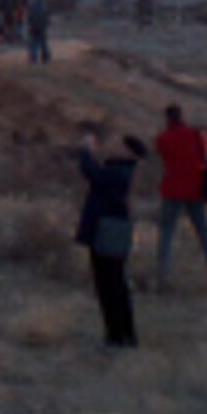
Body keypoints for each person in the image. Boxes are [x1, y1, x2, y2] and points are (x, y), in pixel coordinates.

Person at [75, 132, 147, 348]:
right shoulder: (121, 169)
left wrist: (86, 150)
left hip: (108, 232)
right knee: (111, 284)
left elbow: (93, 173)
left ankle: (119, 336)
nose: (115, 146)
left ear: (128, 151)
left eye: (121, 145)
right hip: (110, 231)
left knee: (110, 285)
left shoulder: (120, 172)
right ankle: (120, 334)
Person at [154, 104, 207, 288]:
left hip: (172, 190)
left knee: (166, 234)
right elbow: (206, 152)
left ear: (167, 118)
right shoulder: (196, 135)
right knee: (204, 233)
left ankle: (162, 277)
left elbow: (163, 155)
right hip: (196, 190)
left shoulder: (163, 138)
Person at [27, 0, 52, 64]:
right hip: (41, 27)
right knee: (43, 42)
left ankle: (33, 58)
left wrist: (30, 24)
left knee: (34, 43)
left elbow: (29, 17)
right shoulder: (43, 6)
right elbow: (45, 16)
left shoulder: (32, 5)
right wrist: (46, 23)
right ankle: (45, 57)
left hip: (34, 27)